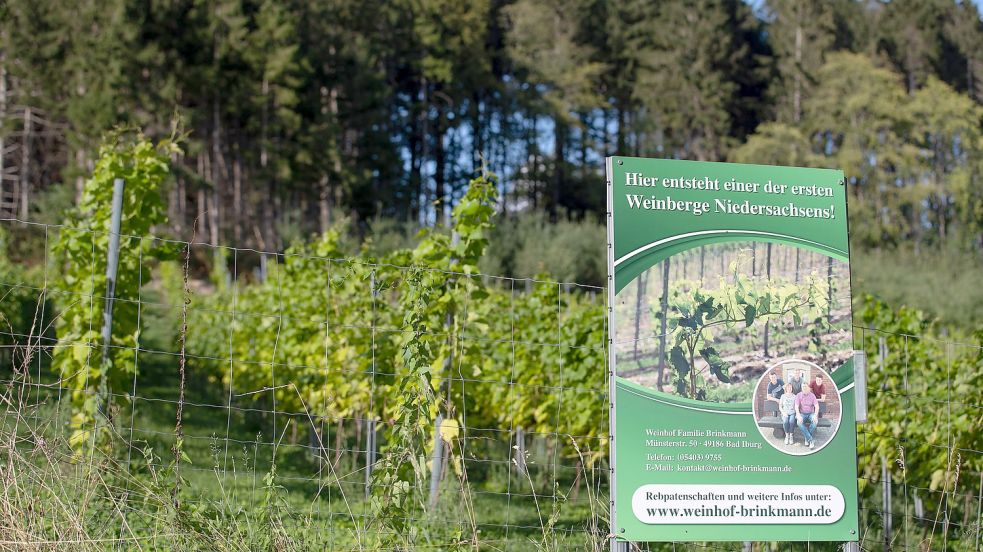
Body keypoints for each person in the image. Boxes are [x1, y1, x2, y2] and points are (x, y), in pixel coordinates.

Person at [795, 384, 819, 449]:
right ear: (801, 388)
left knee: (815, 422)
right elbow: (796, 407)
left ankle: (807, 437)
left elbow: (816, 406)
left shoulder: (812, 395)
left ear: (809, 388)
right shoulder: (798, 395)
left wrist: (815, 415)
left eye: (806, 387)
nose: (804, 388)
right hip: (802, 413)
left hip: (811, 413)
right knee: (799, 422)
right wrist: (798, 415)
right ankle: (810, 440)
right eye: (803, 387)